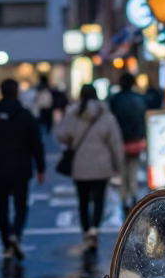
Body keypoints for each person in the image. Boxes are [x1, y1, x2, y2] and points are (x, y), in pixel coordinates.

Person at [0, 78, 46, 259]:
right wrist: (41, 167)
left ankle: (6, 244)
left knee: (2, 206)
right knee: (21, 205)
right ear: (16, 93)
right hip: (22, 166)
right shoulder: (25, 115)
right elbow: (36, 144)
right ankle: (16, 233)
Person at [57, 83, 123, 250]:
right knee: (100, 198)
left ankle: (86, 231)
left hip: (79, 164)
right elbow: (115, 142)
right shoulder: (106, 115)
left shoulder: (73, 114)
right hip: (101, 164)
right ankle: (95, 228)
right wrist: (118, 164)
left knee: (83, 199)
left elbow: (61, 134)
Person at [109, 73, 147, 212]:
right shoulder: (139, 99)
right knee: (133, 170)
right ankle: (134, 197)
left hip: (119, 141)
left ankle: (124, 199)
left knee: (122, 172)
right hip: (136, 141)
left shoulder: (114, 100)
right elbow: (143, 120)